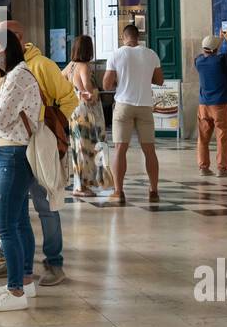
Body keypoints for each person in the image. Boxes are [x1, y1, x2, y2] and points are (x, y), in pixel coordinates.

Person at [0, 19, 74, 288]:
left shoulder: (42, 66)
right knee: (18, 215)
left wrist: (49, 124)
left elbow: (70, 98)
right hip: (16, 146)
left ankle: (53, 262)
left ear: (16, 38)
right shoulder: (7, 72)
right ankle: (21, 265)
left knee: (45, 205)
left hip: (35, 144)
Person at [0, 28, 42, 312]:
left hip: (13, 153)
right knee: (18, 222)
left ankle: (15, 291)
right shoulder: (12, 75)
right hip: (12, 150)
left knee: (4, 223)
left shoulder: (17, 76)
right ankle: (25, 279)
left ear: (7, 50)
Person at [103, 24, 163, 205]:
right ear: (138, 37)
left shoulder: (116, 54)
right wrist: (145, 77)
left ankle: (118, 191)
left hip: (123, 105)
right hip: (145, 105)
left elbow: (106, 85)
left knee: (120, 149)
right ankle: (153, 191)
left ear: (124, 37)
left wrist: (120, 80)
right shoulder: (151, 54)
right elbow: (160, 80)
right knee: (149, 150)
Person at [62, 34, 103, 198]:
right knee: (86, 148)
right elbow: (87, 86)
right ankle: (81, 186)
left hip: (74, 109)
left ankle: (79, 184)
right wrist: (89, 92)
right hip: (86, 111)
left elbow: (61, 79)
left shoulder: (70, 65)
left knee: (77, 147)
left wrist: (74, 91)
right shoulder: (84, 66)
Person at [195, 28, 227, 177]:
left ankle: (203, 167)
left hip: (203, 105)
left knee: (203, 138)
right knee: (222, 138)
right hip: (219, 105)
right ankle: (222, 168)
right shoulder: (220, 60)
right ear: (216, 49)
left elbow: (211, 53)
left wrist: (217, 42)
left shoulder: (198, 61)